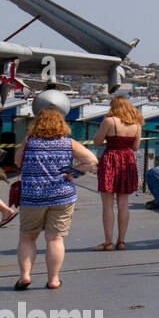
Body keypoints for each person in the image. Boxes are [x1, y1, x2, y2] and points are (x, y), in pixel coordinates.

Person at [14, 107, 97, 290]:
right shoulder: (69, 143)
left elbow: (18, 161)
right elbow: (91, 160)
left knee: (28, 237)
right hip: (62, 196)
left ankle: (25, 276)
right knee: (55, 239)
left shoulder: (29, 142)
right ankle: (53, 279)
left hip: (32, 197)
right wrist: (72, 173)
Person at [90, 95, 143, 250]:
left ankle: (108, 242)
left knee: (107, 205)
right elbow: (135, 147)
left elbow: (96, 142)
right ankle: (121, 241)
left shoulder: (109, 121)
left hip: (111, 159)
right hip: (128, 160)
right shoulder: (137, 125)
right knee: (123, 204)